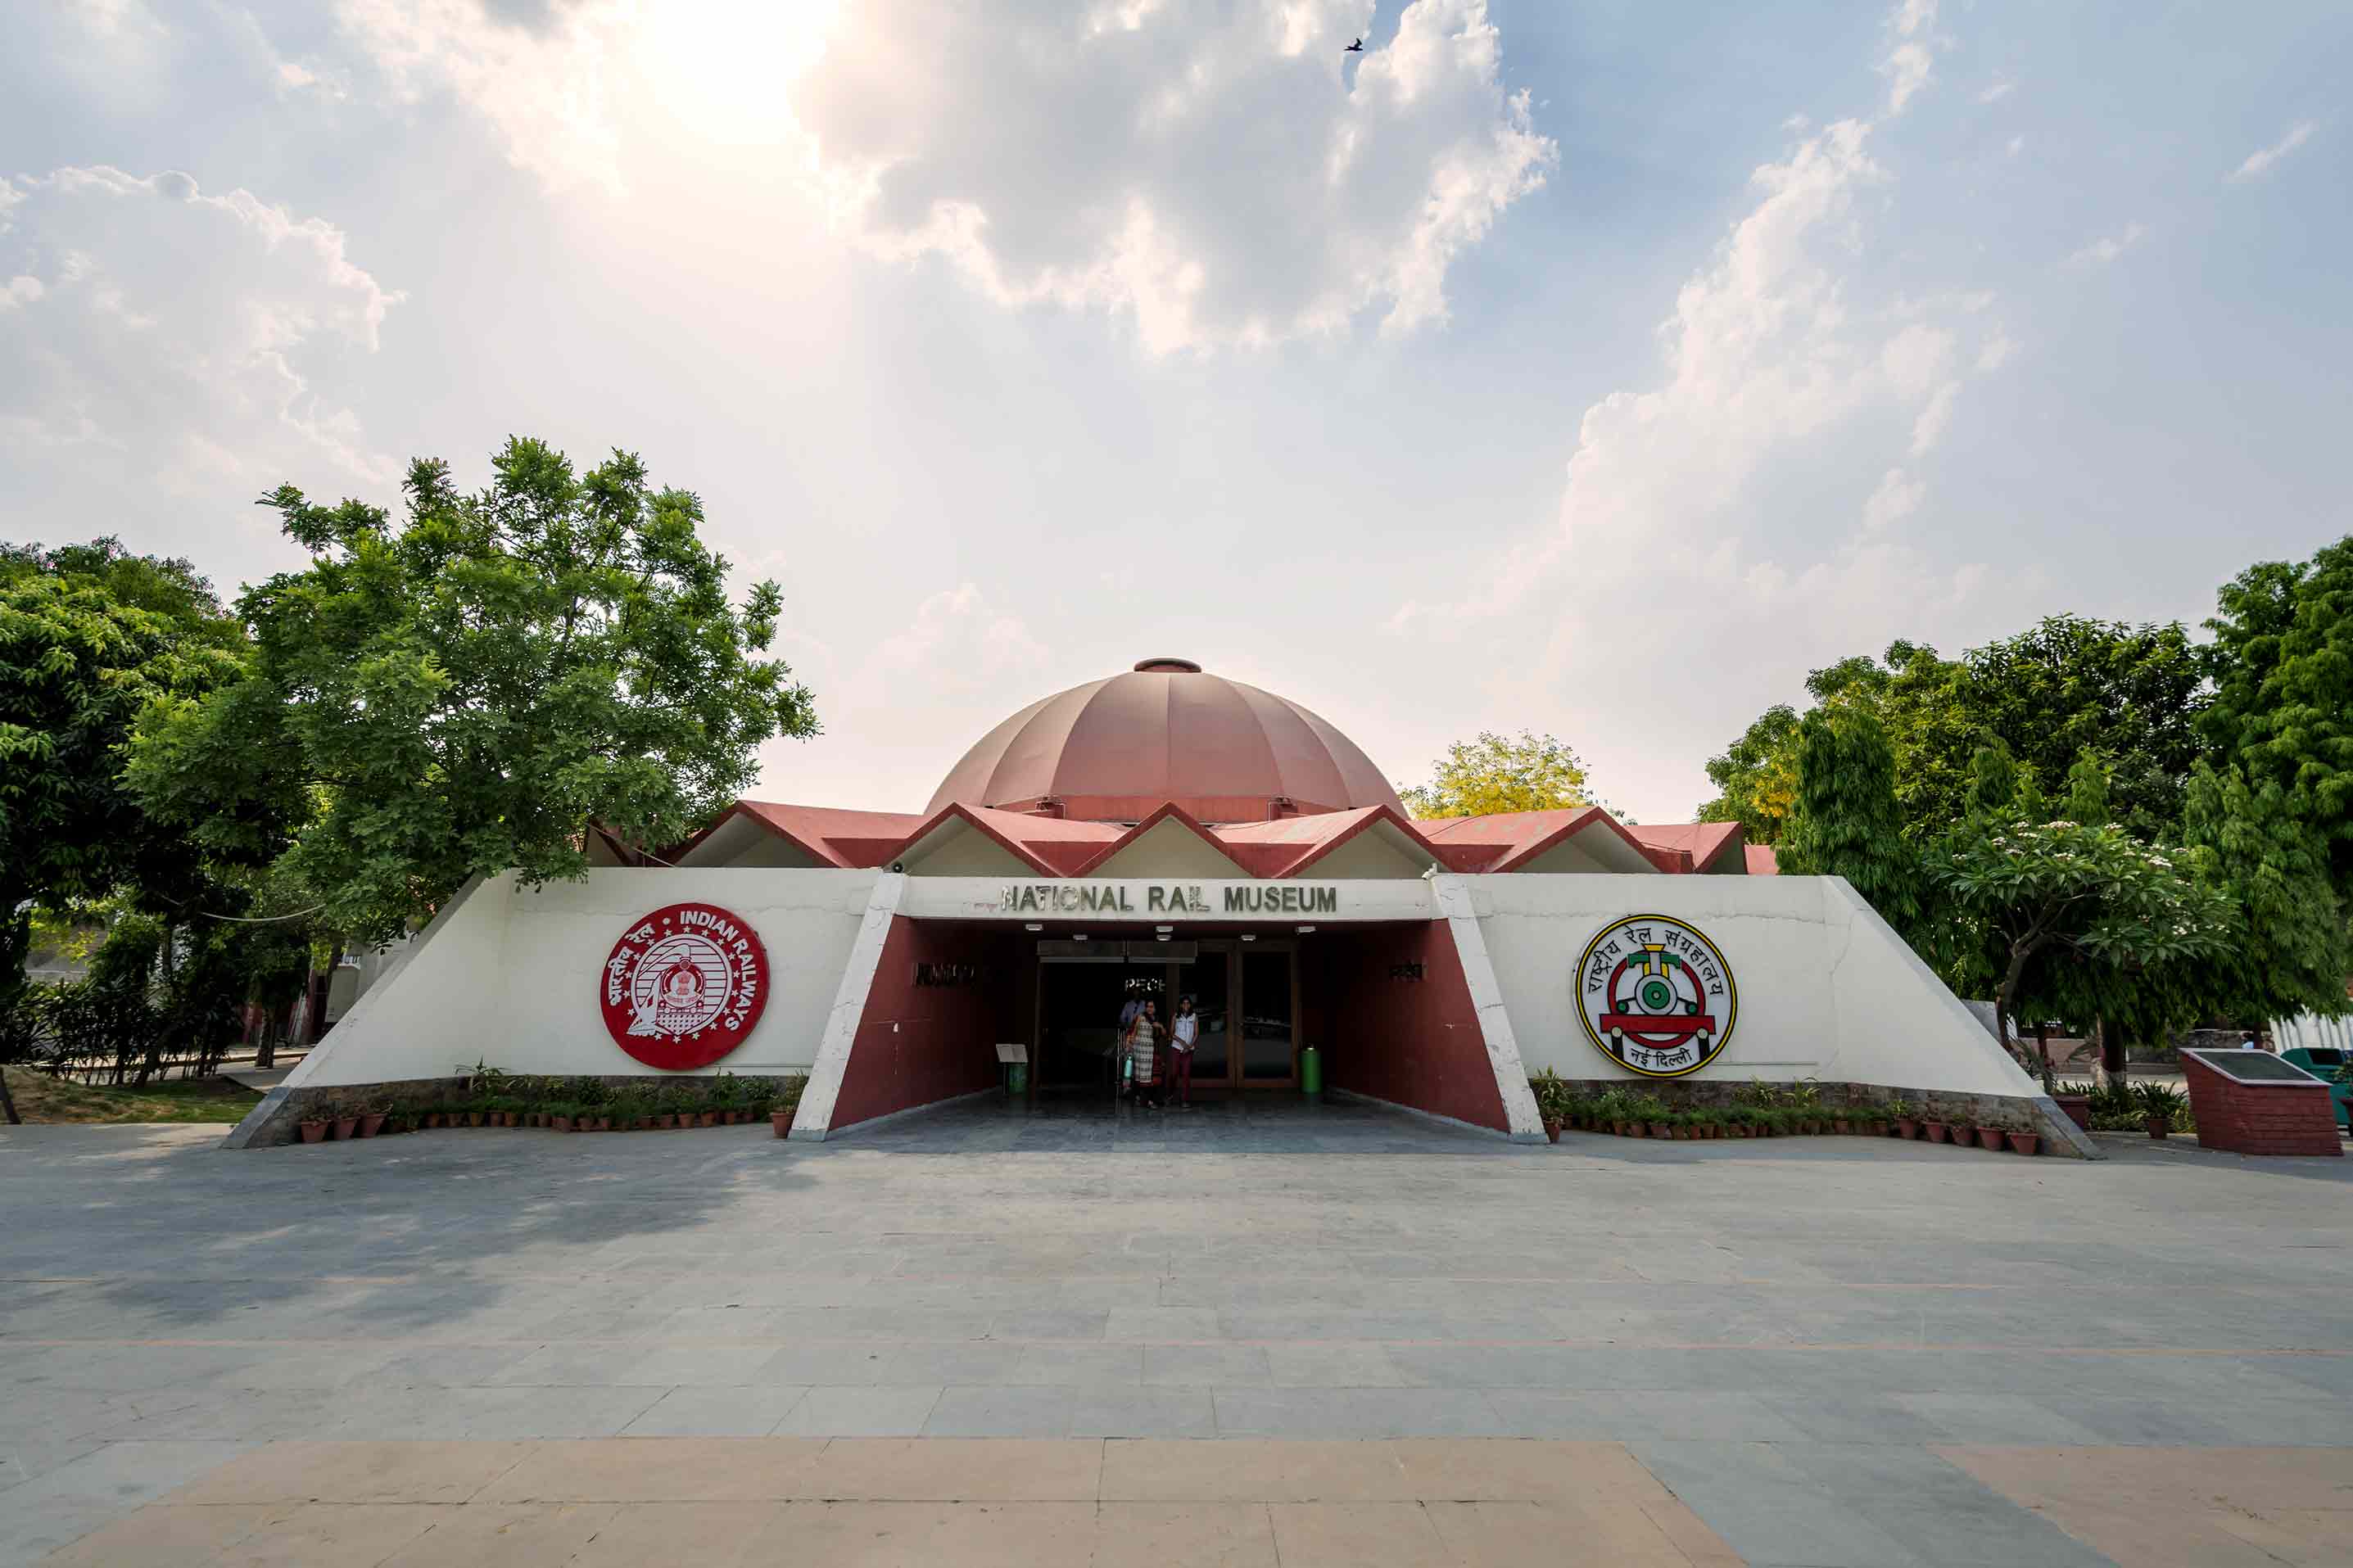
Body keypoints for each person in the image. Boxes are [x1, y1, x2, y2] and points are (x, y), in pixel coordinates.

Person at [1125, 1000, 1161, 1108]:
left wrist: (1160, 1027)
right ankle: (1137, 1097)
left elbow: (1162, 1035)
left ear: (1155, 1008)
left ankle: (1149, 1100)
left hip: (1150, 1051)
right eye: (1148, 1006)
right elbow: (1133, 1031)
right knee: (1138, 1075)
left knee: (1149, 1077)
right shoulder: (1140, 1017)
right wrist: (1129, 1044)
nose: (1150, 1009)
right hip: (1139, 1050)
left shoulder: (1156, 1020)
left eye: (1152, 1006)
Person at [1168, 995, 1199, 1109]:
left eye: (1188, 1003)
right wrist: (1182, 1043)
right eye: (1184, 1003)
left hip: (1189, 1050)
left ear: (1190, 1005)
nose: (1186, 1005)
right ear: (1181, 1005)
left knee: (1186, 1075)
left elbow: (1196, 1033)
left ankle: (1185, 1099)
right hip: (1176, 1048)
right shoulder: (1176, 1016)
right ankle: (1170, 1094)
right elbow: (1171, 1033)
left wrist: (1190, 1046)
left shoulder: (1194, 1016)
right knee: (1174, 1073)